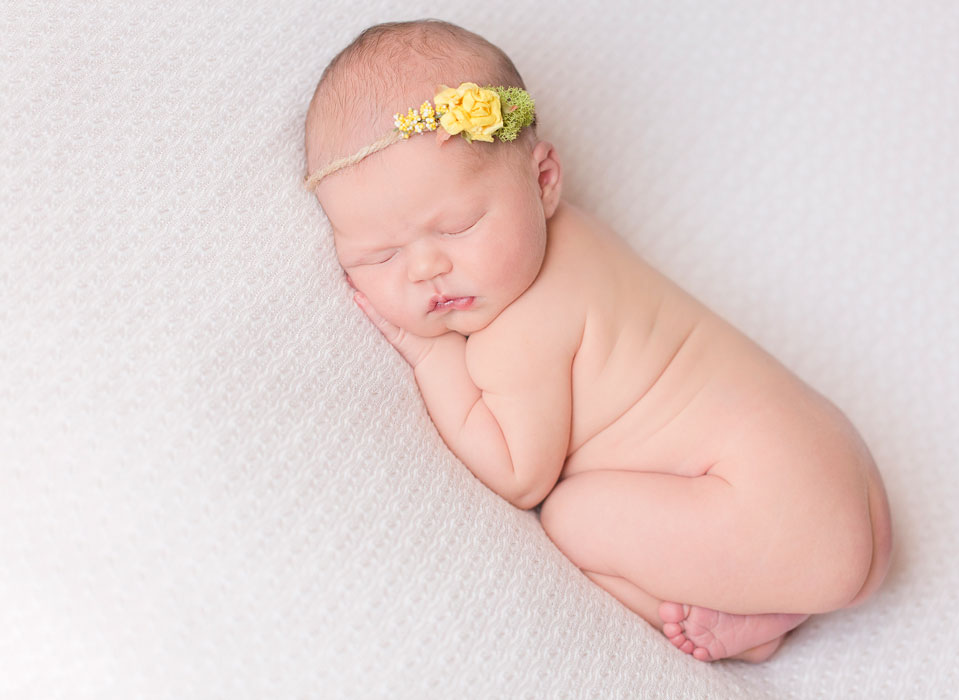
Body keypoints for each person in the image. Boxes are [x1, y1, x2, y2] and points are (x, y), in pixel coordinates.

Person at [303, 18, 892, 662]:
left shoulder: (520, 331)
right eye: (381, 256)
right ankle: (761, 605)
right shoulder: (581, 238)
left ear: (543, 179)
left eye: (458, 226)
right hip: (835, 471)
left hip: (780, 510)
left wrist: (428, 353)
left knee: (567, 516)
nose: (424, 269)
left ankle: (742, 616)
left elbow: (519, 476)